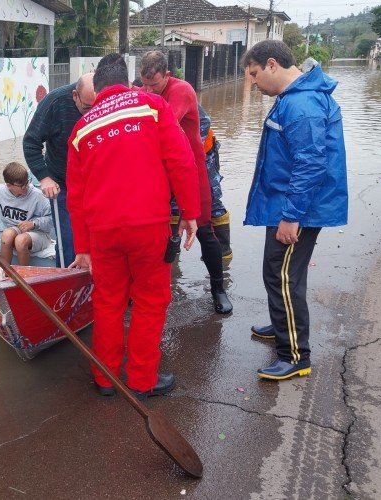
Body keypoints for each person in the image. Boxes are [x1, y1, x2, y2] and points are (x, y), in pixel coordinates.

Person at [65, 60, 200, 399]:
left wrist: (82, 248)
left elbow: (75, 197)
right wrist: (189, 212)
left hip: (102, 232)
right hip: (148, 225)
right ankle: (141, 380)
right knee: (150, 301)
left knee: (108, 302)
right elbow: (180, 160)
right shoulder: (154, 106)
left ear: (97, 88)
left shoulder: (81, 128)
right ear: (127, 82)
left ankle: (105, 378)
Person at [242, 40, 348, 380]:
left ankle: (294, 355)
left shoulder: (301, 104)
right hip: (291, 203)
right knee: (284, 273)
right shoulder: (296, 97)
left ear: (272, 64)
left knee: (281, 275)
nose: (253, 83)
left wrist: (291, 216)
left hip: (296, 208)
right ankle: (280, 324)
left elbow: (310, 164)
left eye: (255, 74)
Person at [139, 50, 233, 314]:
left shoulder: (182, 90)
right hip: (159, 171)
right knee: (156, 231)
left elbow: (160, 123)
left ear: (167, 76)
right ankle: (153, 288)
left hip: (191, 169)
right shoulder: (143, 89)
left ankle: (218, 288)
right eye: (143, 84)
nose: (148, 90)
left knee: (204, 230)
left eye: (154, 85)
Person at [23, 73, 95, 267]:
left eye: (95, 107)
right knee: (68, 241)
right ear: (75, 96)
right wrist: (44, 178)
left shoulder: (109, 102)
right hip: (62, 184)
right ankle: (66, 281)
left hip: (95, 185)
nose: (91, 115)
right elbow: (31, 142)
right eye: (87, 108)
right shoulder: (54, 103)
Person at [0, 162, 53, 266]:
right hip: (16, 229)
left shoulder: (37, 196)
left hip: (39, 234)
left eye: (27, 182)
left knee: (20, 241)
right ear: (9, 185)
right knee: (6, 235)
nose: (27, 187)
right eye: (22, 185)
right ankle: (4, 272)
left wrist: (33, 223)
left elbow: (52, 219)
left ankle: (23, 276)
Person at [198, 104, 233, 259]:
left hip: (205, 156)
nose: (150, 89)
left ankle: (223, 252)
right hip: (175, 158)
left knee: (212, 200)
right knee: (172, 203)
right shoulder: (146, 97)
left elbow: (204, 121)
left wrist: (184, 148)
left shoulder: (179, 93)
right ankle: (173, 252)